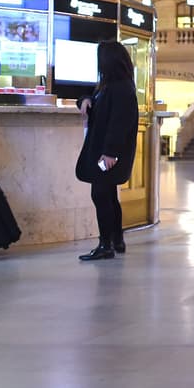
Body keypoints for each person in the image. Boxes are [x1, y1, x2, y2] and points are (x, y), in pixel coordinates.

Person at [74, 41, 140, 260]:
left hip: (108, 155)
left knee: (100, 193)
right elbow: (93, 101)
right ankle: (116, 240)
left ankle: (105, 245)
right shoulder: (110, 85)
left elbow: (119, 123)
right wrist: (84, 101)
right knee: (108, 194)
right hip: (106, 153)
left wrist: (110, 153)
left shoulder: (121, 88)